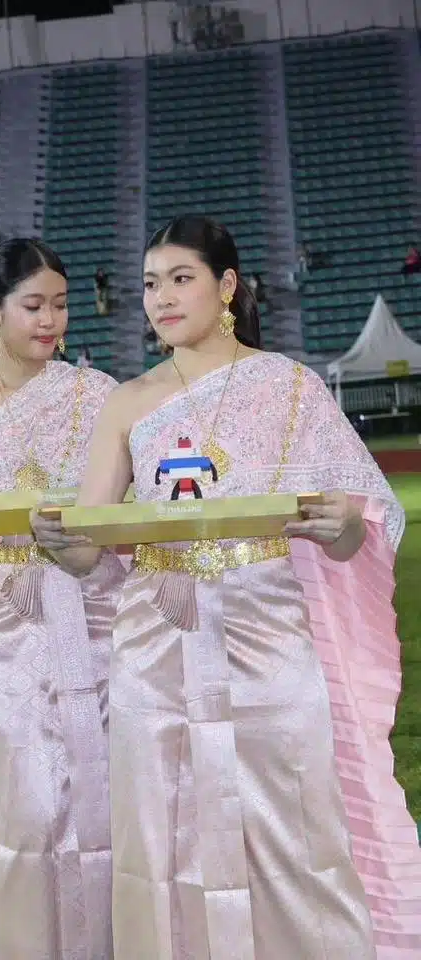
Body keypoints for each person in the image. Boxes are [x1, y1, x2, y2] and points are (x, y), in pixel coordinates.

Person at [39, 214, 421, 958]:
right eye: (150, 283)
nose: (161, 297)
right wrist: (63, 547)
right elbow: (93, 549)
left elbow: (352, 538)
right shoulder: (128, 401)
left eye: (181, 279)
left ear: (226, 287)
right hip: (156, 639)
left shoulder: (290, 388)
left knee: (293, 824)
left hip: (268, 629)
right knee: (165, 831)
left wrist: (344, 522)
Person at [0, 238, 122, 959]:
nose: (49, 320)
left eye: (60, 306)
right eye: (33, 305)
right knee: (24, 803)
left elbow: (125, 505)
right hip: (0, 616)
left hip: (98, 605)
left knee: (105, 793)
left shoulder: (100, 395)